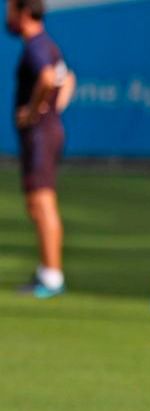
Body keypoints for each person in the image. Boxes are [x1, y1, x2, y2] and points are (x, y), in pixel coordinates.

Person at [8, 0, 74, 298]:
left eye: (10, 9)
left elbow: (48, 78)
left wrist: (34, 111)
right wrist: (55, 108)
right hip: (45, 133)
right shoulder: (46, 43)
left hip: (40, 136)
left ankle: (51, 276)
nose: (6, 16)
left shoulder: (36, 45)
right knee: (37, 204)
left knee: (43, 203)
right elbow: (68, 78)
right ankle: (47, 269)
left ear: (22, 13)